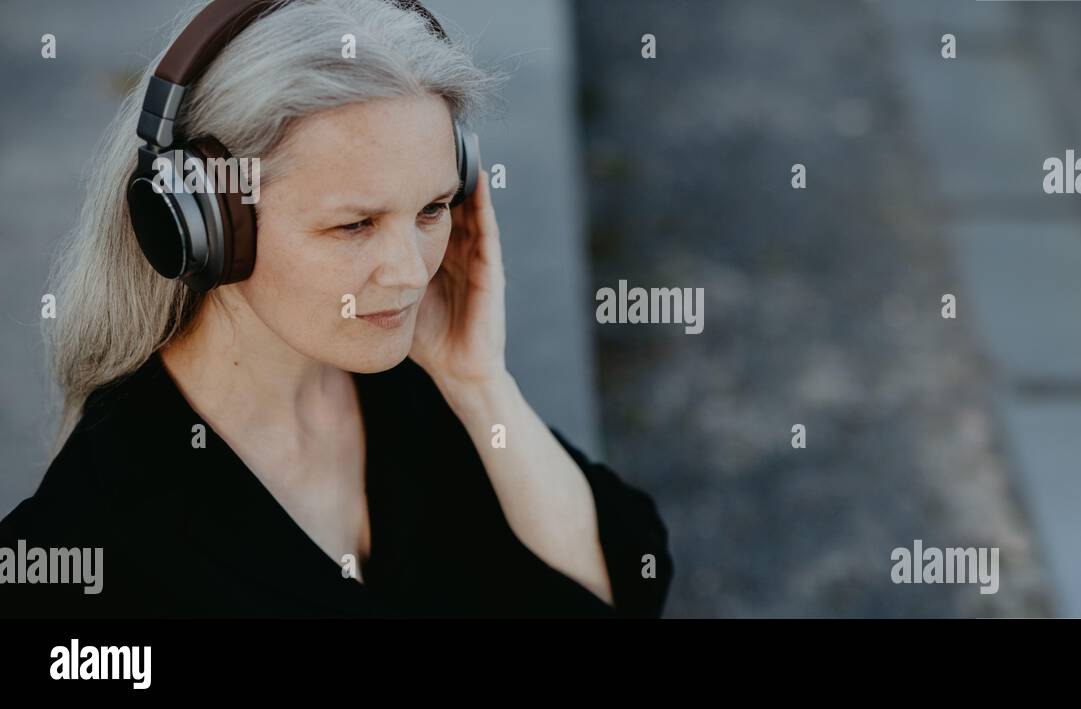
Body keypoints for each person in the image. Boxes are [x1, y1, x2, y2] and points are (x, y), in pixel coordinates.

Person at [0, 0, 672, 618]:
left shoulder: (415, 392)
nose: (412, 273)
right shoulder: (87, 539)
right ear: (206, 226)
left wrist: (482, 386)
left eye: (432, 208)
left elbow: (628, 584)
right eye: (354, 226)